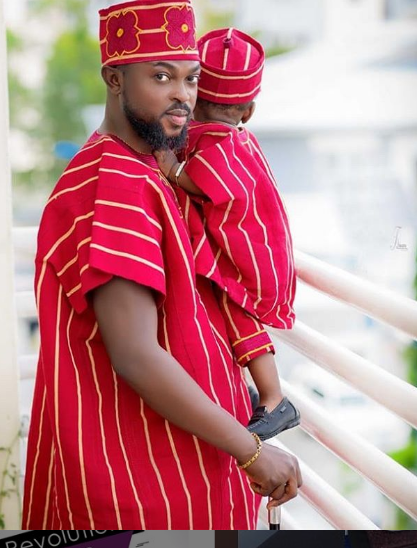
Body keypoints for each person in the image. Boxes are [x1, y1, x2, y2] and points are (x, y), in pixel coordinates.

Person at [22, 0, 301, 530]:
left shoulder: (140, 165)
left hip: (172, 465)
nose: (183, 95)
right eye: (161, 76)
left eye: (191, 78)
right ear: (115, 79)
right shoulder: (118, 185)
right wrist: (251, 452)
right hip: (149, 485)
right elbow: (136, 355)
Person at [155, 28, 299, 441]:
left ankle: (274, 398)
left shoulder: (216, 141)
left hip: (246, 255)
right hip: (253, 247)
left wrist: (173, 171)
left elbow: (209, 184)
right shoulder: (238, 137)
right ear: (249, 110)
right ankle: (255, 389)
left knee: (236, 311)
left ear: (193, 95)